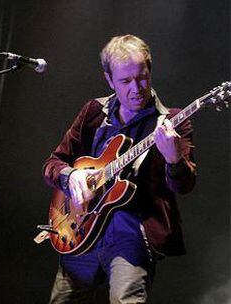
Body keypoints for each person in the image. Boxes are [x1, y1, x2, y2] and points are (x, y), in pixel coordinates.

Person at [42, 34, 196, 303]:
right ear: (109, 80)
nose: (136, 88)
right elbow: (52, 164)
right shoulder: (93, 112)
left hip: (131, 236)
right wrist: (71, 175)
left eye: (142, 77)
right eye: (125, 81)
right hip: (81, 232)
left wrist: (173, 160)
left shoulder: (172, 121)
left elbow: (184, 185)